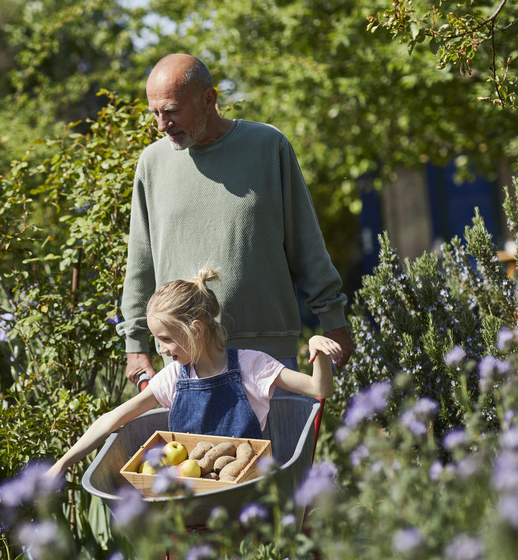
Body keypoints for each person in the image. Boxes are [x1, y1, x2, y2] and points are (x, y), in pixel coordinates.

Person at [117, 53, 353, 385]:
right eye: (155, 113)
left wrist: (333, 319)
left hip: (268, 354)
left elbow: (306, 243)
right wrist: (136, 345)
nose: (161, 125)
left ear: (209, 99)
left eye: (171, 111)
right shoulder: (153, 164)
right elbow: (140, 263)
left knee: (274, 441)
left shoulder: (268, 147)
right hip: (184, 358)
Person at [47, 268, 339, 478]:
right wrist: (61, 464)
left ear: (196, 330)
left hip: (244, 491)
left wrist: (318, 350)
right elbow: (112, 420)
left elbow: (319, 390)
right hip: (189, 496)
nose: (160, 350)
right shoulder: (174, 377)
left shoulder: (251, 366)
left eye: (166, 339)